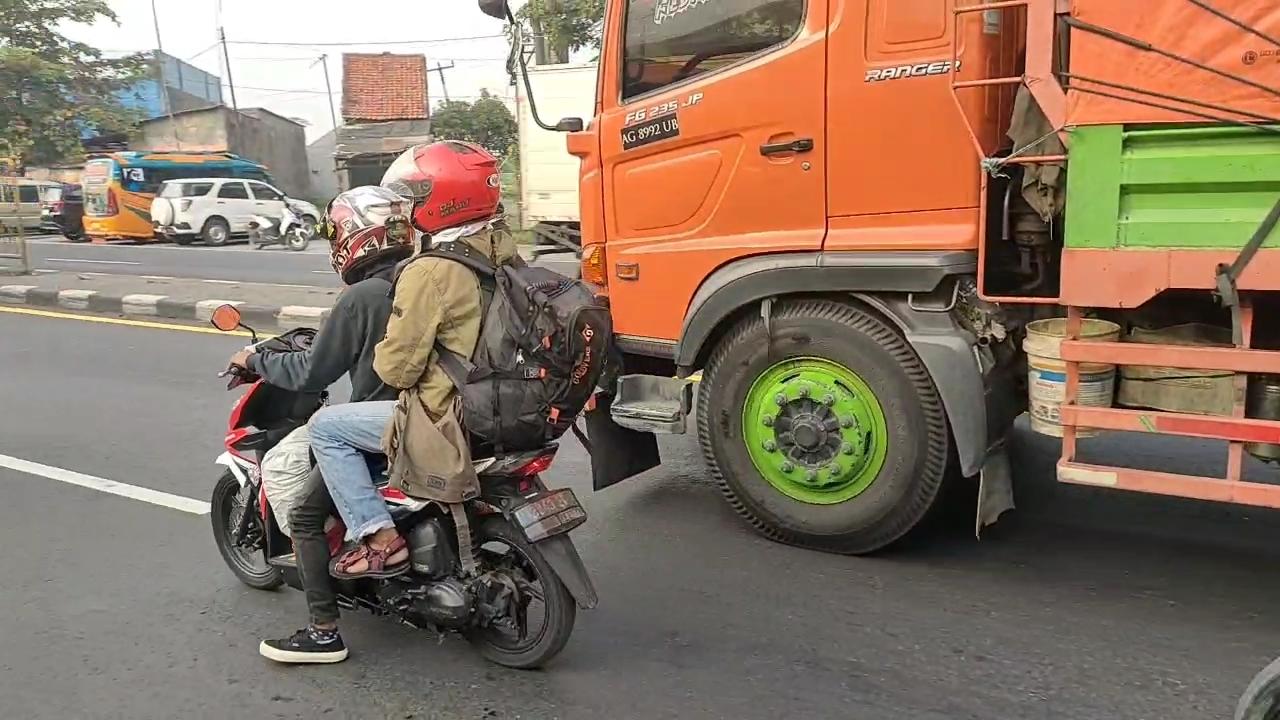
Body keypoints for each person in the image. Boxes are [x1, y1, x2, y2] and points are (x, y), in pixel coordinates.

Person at [304, 140, 517, 583]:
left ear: (442, 199)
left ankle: (379, 538)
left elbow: (396, 370)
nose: (411, 209)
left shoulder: (428, 270)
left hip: (449, 412)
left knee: (325, 427)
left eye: (418, 197)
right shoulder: (506, 251)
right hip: (506, 399)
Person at [248, 185, 415, 665]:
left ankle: (324, 633)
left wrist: (256, 359)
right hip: (453, 414)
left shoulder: (361, 296)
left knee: (303, 514)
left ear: (352, 235)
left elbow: (311, 372)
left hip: (389, 426)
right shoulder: (429, 278)